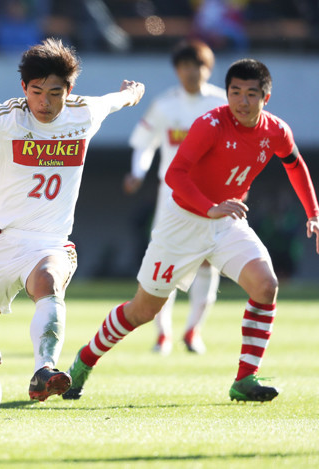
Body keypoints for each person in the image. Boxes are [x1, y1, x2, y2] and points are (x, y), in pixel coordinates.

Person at [64, 58, 319, 402]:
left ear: (266, 98)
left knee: (266, 285)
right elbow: (175, 175)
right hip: (181, 223)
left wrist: (313, 213)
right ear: (227, 93)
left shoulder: (276, 130)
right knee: (142, 310)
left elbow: (295, 164)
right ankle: (85, 359)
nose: (242, 101)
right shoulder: (210, 124)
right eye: (235, 92)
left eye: (251, 94)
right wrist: (209, 207)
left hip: (227, 222)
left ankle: (245, 379)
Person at [0, 38, 145, 401]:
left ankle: (44, 370)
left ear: (69, 89)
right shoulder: (8, 116)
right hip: (3, 242)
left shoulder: (84, 112)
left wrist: (132, 94)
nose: (45, 102)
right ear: (24, 88)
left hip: (50, 241)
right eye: (37, 92)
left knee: (49, 281)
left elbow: (115, 101)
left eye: (55, 92)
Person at [124, 39, 227, 356]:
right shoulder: (165, 104)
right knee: (164, 263)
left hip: (211, 194)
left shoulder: (223, 105)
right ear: (177, 70)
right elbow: (145, 142)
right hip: (172, 197)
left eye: (196, 66)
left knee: (209, 261)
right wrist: (138, 172)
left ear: (207, 69)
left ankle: (193, 331)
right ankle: (162, 334)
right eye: (184, 66)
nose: (190, 72)